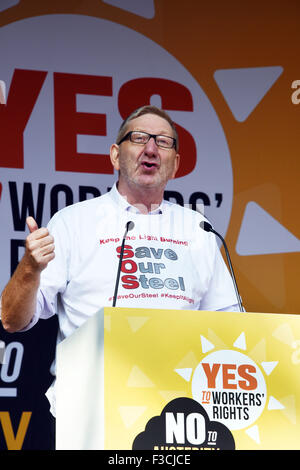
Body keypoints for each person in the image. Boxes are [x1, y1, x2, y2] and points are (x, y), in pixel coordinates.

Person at [0, 105, 240, 414]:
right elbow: (12, 319)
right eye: (139, 138)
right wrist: (30, 268)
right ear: (115, 155)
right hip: (91, 409)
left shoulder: (198, 229)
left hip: (180, 410)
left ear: (175, 164)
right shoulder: (74, 222)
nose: (151, 149)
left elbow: (231, 329)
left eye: (163, 142)